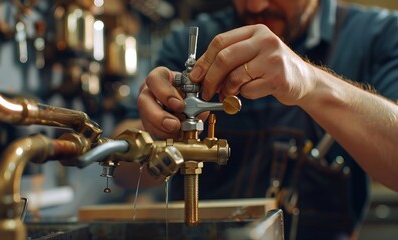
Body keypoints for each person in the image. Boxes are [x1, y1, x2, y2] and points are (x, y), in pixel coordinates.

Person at [123, 0, 398, 239]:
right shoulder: (189, 40)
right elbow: (123, 168)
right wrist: (161, 127)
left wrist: (311, 84)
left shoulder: (379, 35)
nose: (255, 6)